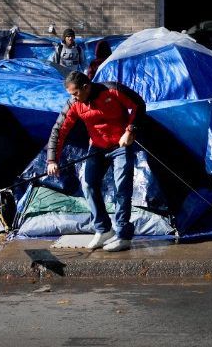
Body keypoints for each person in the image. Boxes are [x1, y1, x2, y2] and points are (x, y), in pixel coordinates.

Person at [45, 71, 145, 252]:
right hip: (97, 147)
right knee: (88, 184)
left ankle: (123, 235)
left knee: (122, 187)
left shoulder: (112, 90)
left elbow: (138, 105)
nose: (73, 98)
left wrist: (130, 130)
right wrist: (52, 160)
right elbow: (59, 130)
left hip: (121, 145)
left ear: (86, 87)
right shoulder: (74, 104)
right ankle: (104, 229)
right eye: (71, 95)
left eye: (75, 93)